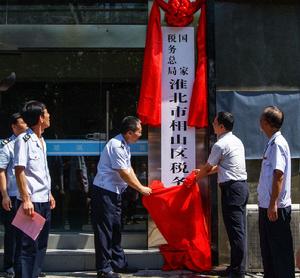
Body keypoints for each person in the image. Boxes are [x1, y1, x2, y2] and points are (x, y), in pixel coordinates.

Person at [91, 116, 152, 278]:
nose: (140, 134)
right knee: (105, 230)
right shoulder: (116, 145)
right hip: (104, 192)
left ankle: (118, 264)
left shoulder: (125, 145)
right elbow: (123, 173)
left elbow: (129, 168)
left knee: (116, 228)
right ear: (129, 132)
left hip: (115, 192)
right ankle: (103, 269)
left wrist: (139, 187)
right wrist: (140, 188)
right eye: (139, 132)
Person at [195, 111, 248, 278]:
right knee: (236, 231)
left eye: (215, 122)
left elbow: (209, 165)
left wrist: (194, 178)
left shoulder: (220, 144)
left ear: (222, 126)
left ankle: (238, 270)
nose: (213, 124)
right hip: (239, 188)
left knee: (236, 232)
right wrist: (204, 173)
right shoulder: (236, 141)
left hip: (232, 190)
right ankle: (235, 267)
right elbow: (222, 166)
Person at [14, 100, 55, 278]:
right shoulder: (23, 140)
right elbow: (19, 171)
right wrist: (26, 199)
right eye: (46, 113)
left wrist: (50, 193)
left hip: (44, 200)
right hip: (31, 203)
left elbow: (40, 172)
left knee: (40, 246)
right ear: (40, 118)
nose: (49, 116)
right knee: (28, 247)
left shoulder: (42, 140)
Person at [257, 106, 295, 278]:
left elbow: (278, 175)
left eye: (261, 119)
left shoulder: (278, 144)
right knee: (269, 254)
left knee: (280, 255)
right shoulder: (272, 142)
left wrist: (273, 204)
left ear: (266, 122)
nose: (260, 122)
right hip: (268, 206)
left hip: (275, 208)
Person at [0, 113, 27, 278]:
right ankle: (9, 267)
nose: (25, 125)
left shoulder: (28, 143)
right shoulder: (7, 145)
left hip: (26, 197)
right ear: (14, 126)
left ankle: (25, 266)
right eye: (22, 122)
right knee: (12, 234)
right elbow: (1, 172)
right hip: (12, 195)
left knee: (27, 234)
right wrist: (4, 195)